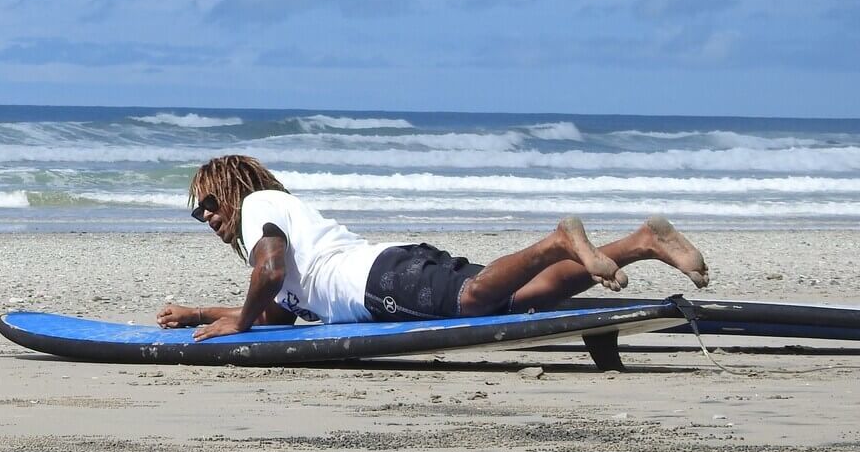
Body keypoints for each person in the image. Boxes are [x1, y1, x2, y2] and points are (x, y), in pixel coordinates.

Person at [157, 154, 710, 341]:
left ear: (231, 189)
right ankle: (642, 243)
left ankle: (558, 241)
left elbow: (269, 276)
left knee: (472, 300)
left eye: (208, 202)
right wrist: (202, 314)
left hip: (376, 281)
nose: (205, 215)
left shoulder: (257, 209)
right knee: (520, 298)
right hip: (387, 272)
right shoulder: (282, 213)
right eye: (197, 210)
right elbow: (277, 314)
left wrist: (240, 323)